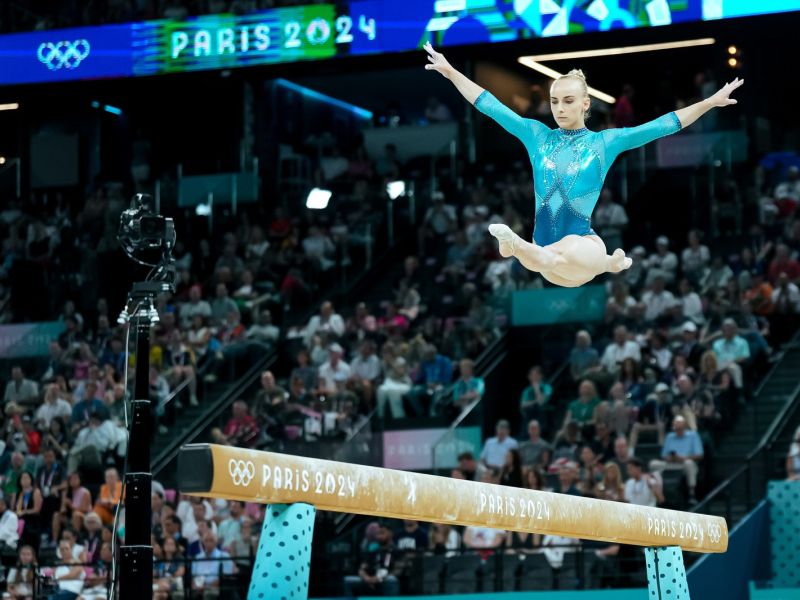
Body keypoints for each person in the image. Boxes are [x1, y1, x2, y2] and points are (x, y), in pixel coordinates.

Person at [424, 42, 743, 287]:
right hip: (548, 260)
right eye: (554, 101)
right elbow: (490, 106)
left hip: (579, 252)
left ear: (585, 103)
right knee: (551, 257)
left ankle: (587, 260)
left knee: (576, 248)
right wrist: (451, 71)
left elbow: (663, 125)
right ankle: (525, 248)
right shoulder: (538, 135)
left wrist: (710, 102)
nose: (559, 108)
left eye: (568, 101)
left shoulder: (604, 142)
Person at [649, 416, 704, 504]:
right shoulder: (670, 436)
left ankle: (691, 494)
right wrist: (670, 458)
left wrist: (683, 458)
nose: (678, 430)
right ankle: (656, 493)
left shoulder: (693, 435)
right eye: (676, 428)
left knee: (688, 463)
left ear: (684, 427)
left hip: (685, 464)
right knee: (653, 464)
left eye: (680, 428)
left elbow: (699, 455)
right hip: (671, 464)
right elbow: (664, 455)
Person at [343, 523, 400, 597]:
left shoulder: (396, 551)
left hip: (385, 580)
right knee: (348, 580)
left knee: (391, 579)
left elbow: (397, 571)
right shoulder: (373, 552)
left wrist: (377, 579)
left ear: (390, 534)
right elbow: (362, 568)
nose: (379, 536)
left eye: (382, 533)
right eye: (378, 534)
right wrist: (367, 578)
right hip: (369, 580)